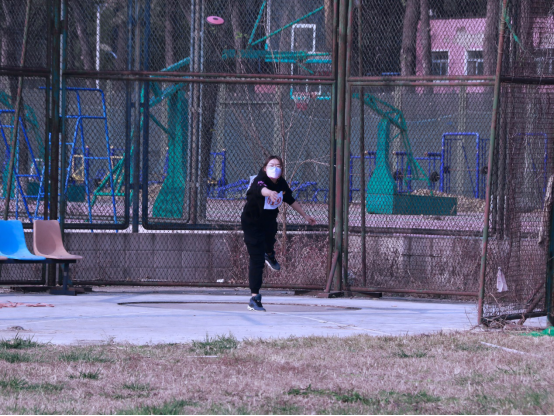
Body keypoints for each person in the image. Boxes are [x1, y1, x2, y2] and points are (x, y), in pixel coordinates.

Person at [241, 156, 317, 312]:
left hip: (268, 223)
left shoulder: (281, 183)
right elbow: (260, 189)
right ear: (265, 168)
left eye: (278, 166)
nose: (275, 168)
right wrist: (270, 193)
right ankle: (254, 298)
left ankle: (269, 254)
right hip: (252, 223)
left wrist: (305, 215)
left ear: (282, 170)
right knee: (257, 259)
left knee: (269, 242)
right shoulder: (260, 179)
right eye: (271, 165)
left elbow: (290, 199)